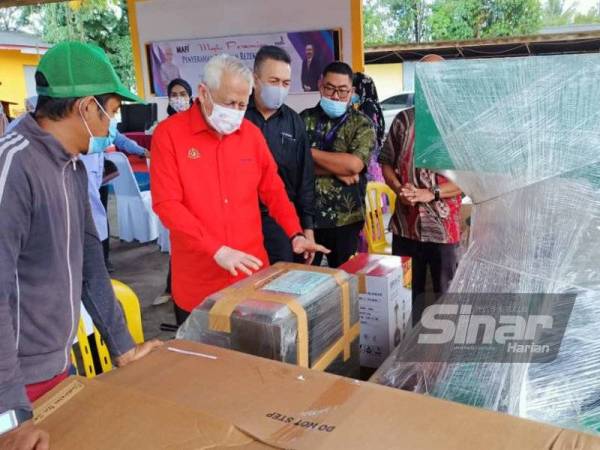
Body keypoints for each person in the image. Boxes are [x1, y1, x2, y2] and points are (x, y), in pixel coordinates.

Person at [0, 41, 161, 449]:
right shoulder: (14, 166)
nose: (113, 124)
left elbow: (90, 262)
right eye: (112, 110)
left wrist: (121, 346)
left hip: (57, 363)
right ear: (88, 107)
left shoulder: (70, 163)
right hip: (13, 383)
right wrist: (9, 417)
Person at [150, 54, 328, 325]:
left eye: (242, 104)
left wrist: (295, 233)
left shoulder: (251, 135)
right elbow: (167, 204)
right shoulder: (169, 135)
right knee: (203, 362)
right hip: (198, 281)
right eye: (229, 103)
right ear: (203, 93)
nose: (235, 111)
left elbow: (274, 190)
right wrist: (216, 249)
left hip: (251, 279)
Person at [378, 54, 462, 326]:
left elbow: (469, 179)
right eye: (424, 77)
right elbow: (386, 163)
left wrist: (432, 193)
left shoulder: (456, 124)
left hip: (443, 228)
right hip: (406, 226)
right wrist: (397, 187)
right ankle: (406, 354)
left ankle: (440, 354)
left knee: (443, 294)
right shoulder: (403, 120)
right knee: (405, 294)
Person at [300, 61, 376, 268]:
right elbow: (293, 166)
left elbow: (353, 166)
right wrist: (337, 169)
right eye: (330, 88)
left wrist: (309, 153)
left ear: (351, 92)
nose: (335, 96)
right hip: (307, 220)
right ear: (320, 85)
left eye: (342, 91)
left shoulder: (362, 124)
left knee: (345, 280)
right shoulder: (301, 120)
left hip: (346, 219)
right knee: (305, 282)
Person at [245, 46, 316, 264]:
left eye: (285, 83)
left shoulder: (294, 122)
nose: (279, 89)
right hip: (242, 220)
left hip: (282, 221)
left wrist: (307, 228)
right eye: (273, 81)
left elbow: (305, 178)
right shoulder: (237, 116)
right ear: (255, 79)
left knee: (280, 284)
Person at [152, 77, 193, 306]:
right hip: (174, 198)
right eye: (174, 95)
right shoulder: (164, 129)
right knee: (179, 246)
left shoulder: (197, 125)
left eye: (182, 94)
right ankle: (173, 290)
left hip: (195, 194)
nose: (179, 99)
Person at [352, 72, 385, 182]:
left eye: (353, 89)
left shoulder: (367, 107)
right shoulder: (373, 104)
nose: (351, 93)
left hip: (369, 159)